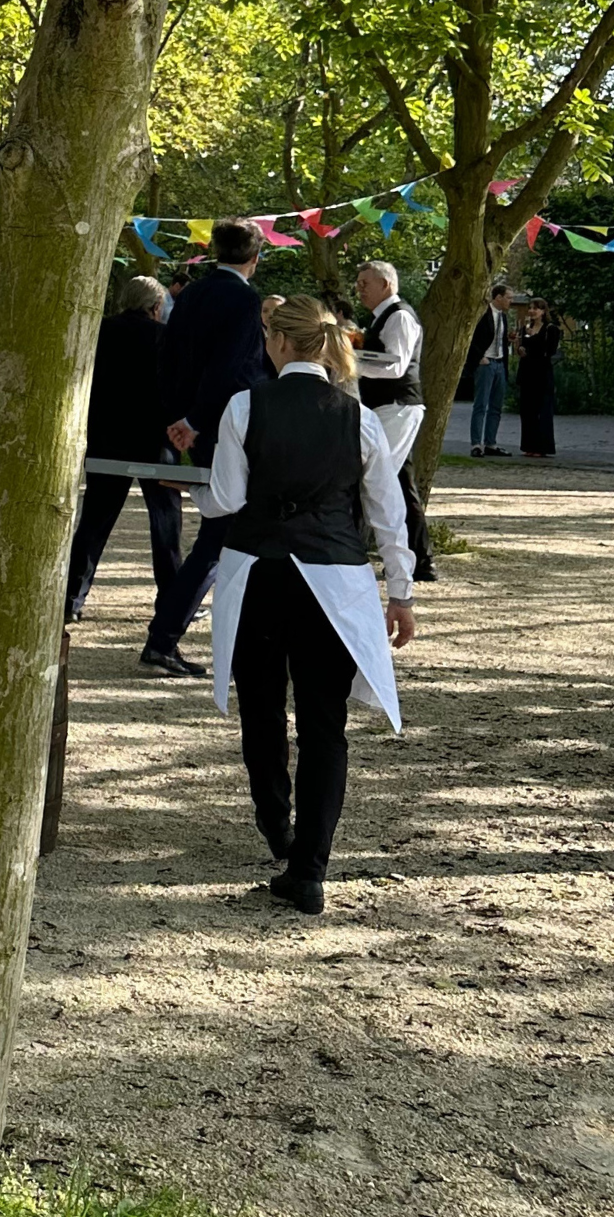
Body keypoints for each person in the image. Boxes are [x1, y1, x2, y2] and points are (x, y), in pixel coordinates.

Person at [180, 295, 416, 916]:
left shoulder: (243, 405)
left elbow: (227, 498)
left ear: (279, 344)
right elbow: (390, 516)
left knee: (262, 711)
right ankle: (309, 866)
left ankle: (276, 827)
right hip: (335, 583)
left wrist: (192, 491)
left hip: (259, 572)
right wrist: (401, 592)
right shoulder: (357, 418)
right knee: (323, 726)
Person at [141, 217, 269, 678]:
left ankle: (169, 635)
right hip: (225, 426)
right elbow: (230, 368)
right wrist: (194, 421)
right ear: (255, 258)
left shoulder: (190, 293)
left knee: (222, 532)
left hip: (190, 422)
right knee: (219, 534)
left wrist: (177, 417)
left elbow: (167, 359)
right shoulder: (243, 299)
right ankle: (164, 637)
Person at [64, 275, 183, 623]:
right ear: (157, 307)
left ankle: (72, 598)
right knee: (166, 524)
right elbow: (175, 391)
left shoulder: (99, 332)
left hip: (107, 438)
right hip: (155, 440)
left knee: (94, 524)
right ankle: (172, 602)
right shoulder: (166, 338)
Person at [353, 260, 434, 581]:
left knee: (373, 479)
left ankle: (360, 553)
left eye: (365, 283)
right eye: (358, 283)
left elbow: (396, 366)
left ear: (386, 284)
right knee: (400, 484)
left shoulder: (399, 316)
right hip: (387, 407)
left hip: (397, 406)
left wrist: (348, 364)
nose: (359, 290)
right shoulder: (381, 318)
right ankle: (420, 561)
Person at [465, 283, 512, 458]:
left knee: (496, 406)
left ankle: (491, 443)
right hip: (486, 363)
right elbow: (471, 337)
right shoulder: (483, 314)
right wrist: (479, 357)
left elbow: (498, 339)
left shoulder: (503, 317)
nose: (510, 301)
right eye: (508, 297)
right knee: (481, 405)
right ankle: (476, 444)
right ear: (498, 297)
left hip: (499, 362)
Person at [516, 297, 560, 458]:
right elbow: (521, 347)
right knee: (527, 411)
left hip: (541, 373)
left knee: (542, 411)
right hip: (527, 373)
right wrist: (520, 347)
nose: (532, 311)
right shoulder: (525, 328)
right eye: (530, 308)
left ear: (543, 311)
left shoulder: (550, 329)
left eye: (536, 308)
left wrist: (531, 342)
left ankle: (542, 446)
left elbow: (549, 350)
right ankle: (529, 445)